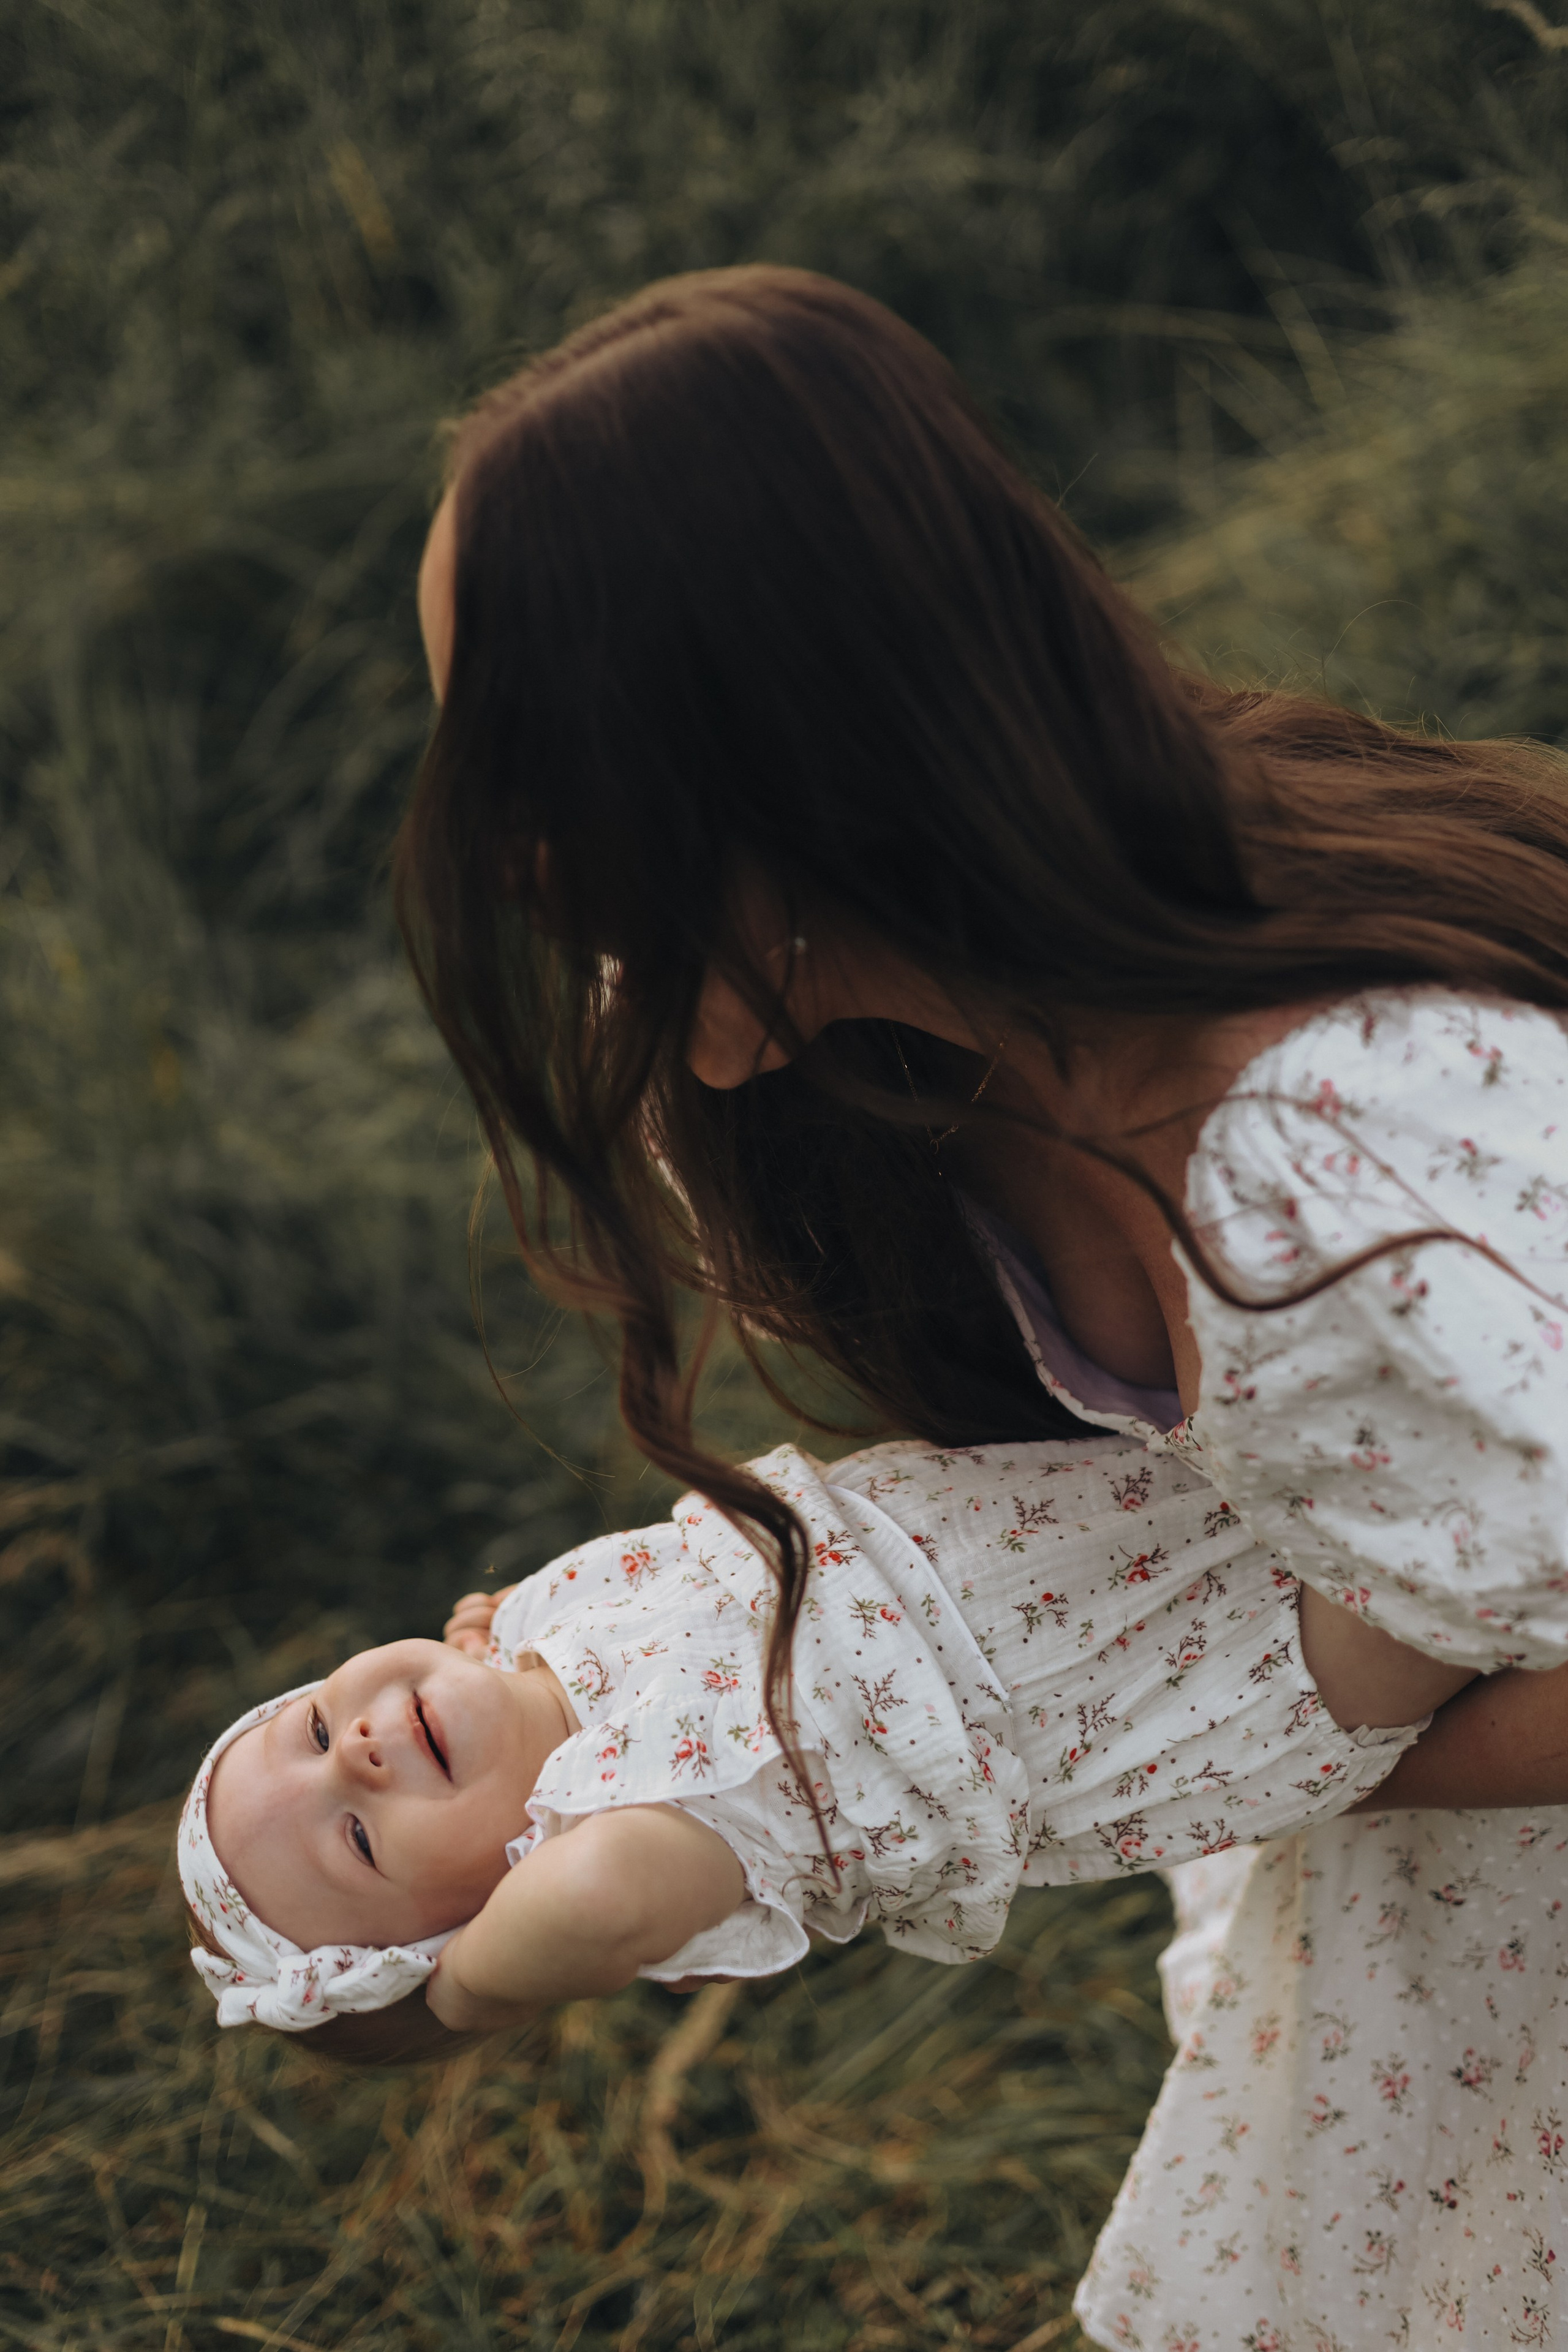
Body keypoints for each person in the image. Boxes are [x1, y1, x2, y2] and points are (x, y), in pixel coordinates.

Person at [390, 264, 1568, 2334]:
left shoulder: (1354, 1145)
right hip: (1435, 1890)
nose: (510, 863)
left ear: (755, 760)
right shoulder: (866, 1100)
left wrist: (1201, 1755)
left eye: (523, 775)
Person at [182, 1433, 1429, 2057]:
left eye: (311, 1725)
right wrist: (471, 1993)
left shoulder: (530, 1643)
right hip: (1186, 1687)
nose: (357, 1752)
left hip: (1110, 1506)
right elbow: (593, 1902)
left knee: (1363, 1437)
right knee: (1440, 1566)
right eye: (358, 1838)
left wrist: (487, 1651)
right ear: (480, 1923)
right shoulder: (641, 1839)